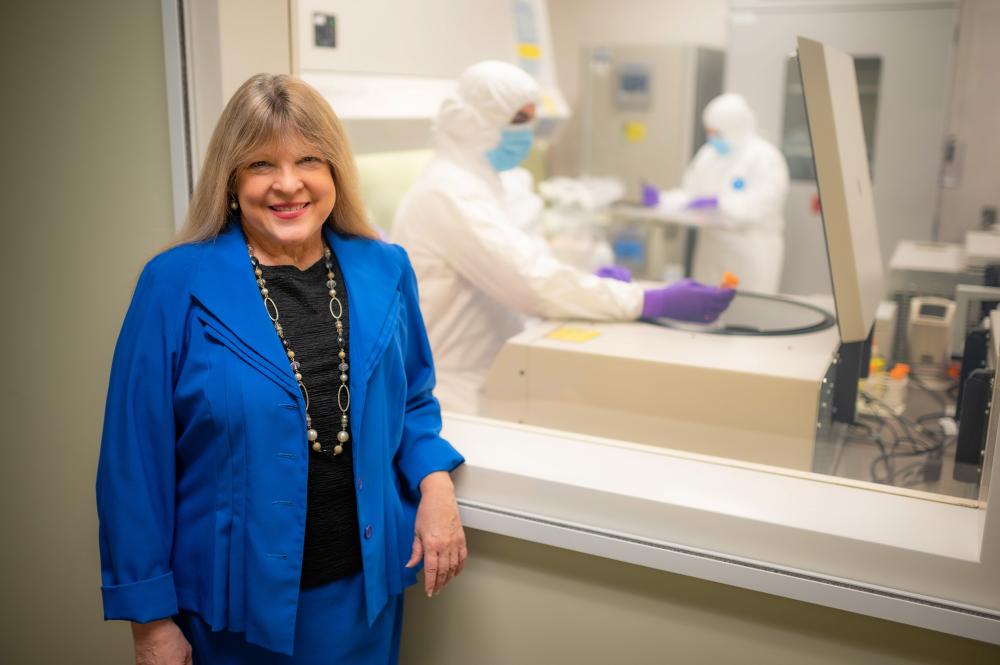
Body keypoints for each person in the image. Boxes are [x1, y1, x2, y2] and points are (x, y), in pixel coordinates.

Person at [96, 74, 466, 665]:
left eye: (309, 160)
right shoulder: (174, 285)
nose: (288, 183)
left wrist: (435, 482)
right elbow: (133, 462)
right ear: (231, 178)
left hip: (362, 599)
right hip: (230, 613)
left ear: (335, 171)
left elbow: (413, 401)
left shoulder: (386, 268)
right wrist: (149, 622)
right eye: (261, 163)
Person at [391, 61, 735, 414]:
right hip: (452, 396)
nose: (528, 134)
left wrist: (589, 285)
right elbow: (531, 283)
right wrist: (648, 300)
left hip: (494, 373)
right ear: (475, 122)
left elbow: (525, 260)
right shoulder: (448, 193)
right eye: (519, 120)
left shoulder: (483, 183)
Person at [648, 93, 790, 294]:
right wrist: (663, 200)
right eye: (710, 132)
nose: (713, 137)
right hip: (712, 248)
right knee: (707, 308)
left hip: (750, 249)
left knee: (749, 310)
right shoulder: (709, 154)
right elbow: (691, 196)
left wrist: (721, 203)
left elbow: (765, 203)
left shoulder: (764, 157)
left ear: (735, 128)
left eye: (717, 132)